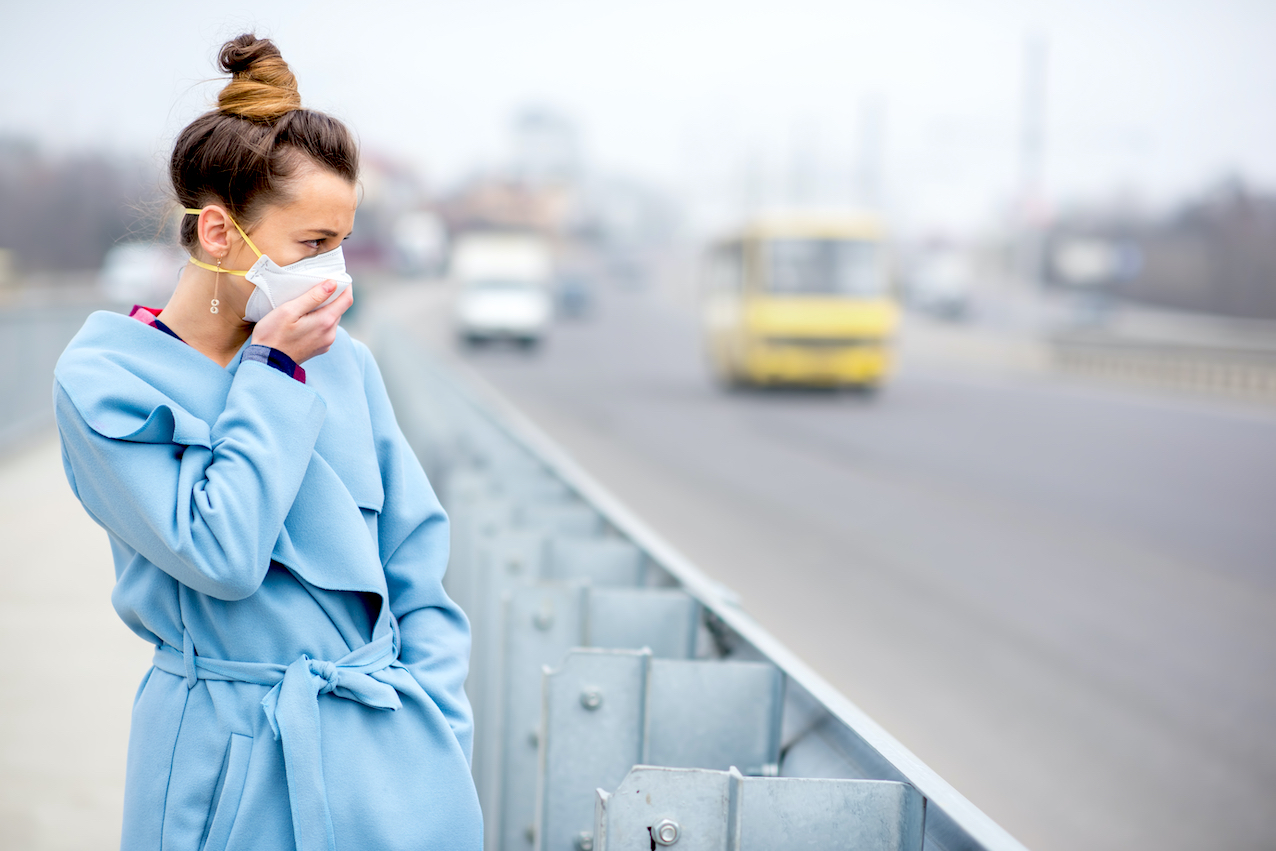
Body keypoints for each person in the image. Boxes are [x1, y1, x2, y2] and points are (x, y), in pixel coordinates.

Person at [52, 34, 482, 851]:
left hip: (386, 755)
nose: (336, 273)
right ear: (220, 234)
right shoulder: (106, 381)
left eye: (344, 241)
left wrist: (437, 732)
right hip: (221, 765)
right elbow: (221, 553)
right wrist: (272, 369)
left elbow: (417, 568)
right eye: (313, 245)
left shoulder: (346, 364)